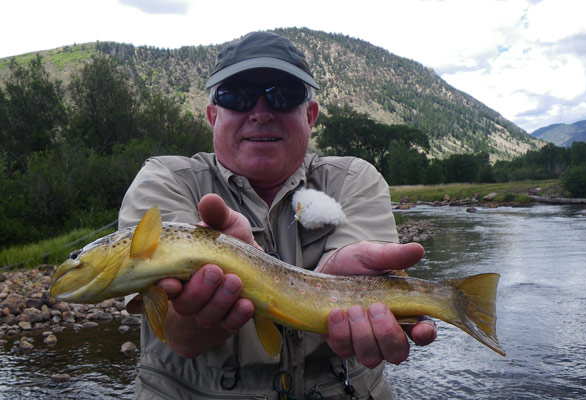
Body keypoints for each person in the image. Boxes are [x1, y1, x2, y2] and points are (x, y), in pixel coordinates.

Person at [119, 31, 437, 400]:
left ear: (311, 115)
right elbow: (177, 332)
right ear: (212, 116)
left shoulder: (353, 179)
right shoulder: (165, 180)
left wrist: (340, 283)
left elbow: (366, 280)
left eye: (283, 95)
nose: (261, 112)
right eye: (236, 96)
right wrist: (193, 311)